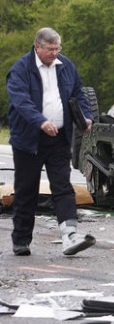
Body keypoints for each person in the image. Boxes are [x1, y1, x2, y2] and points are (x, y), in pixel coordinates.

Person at [6, 27, 96, 256]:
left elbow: (78, 94)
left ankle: (70, 235)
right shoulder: (21, 69)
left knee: (63, 187)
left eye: (58, 48)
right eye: (50, 49)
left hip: (59, 138)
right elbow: (20, 100)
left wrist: (85, 117)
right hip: (29, 140)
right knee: (27, 190)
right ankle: (21, 239)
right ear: (37, 47)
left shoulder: (66, 66)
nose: (55, 53)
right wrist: (41, 121)